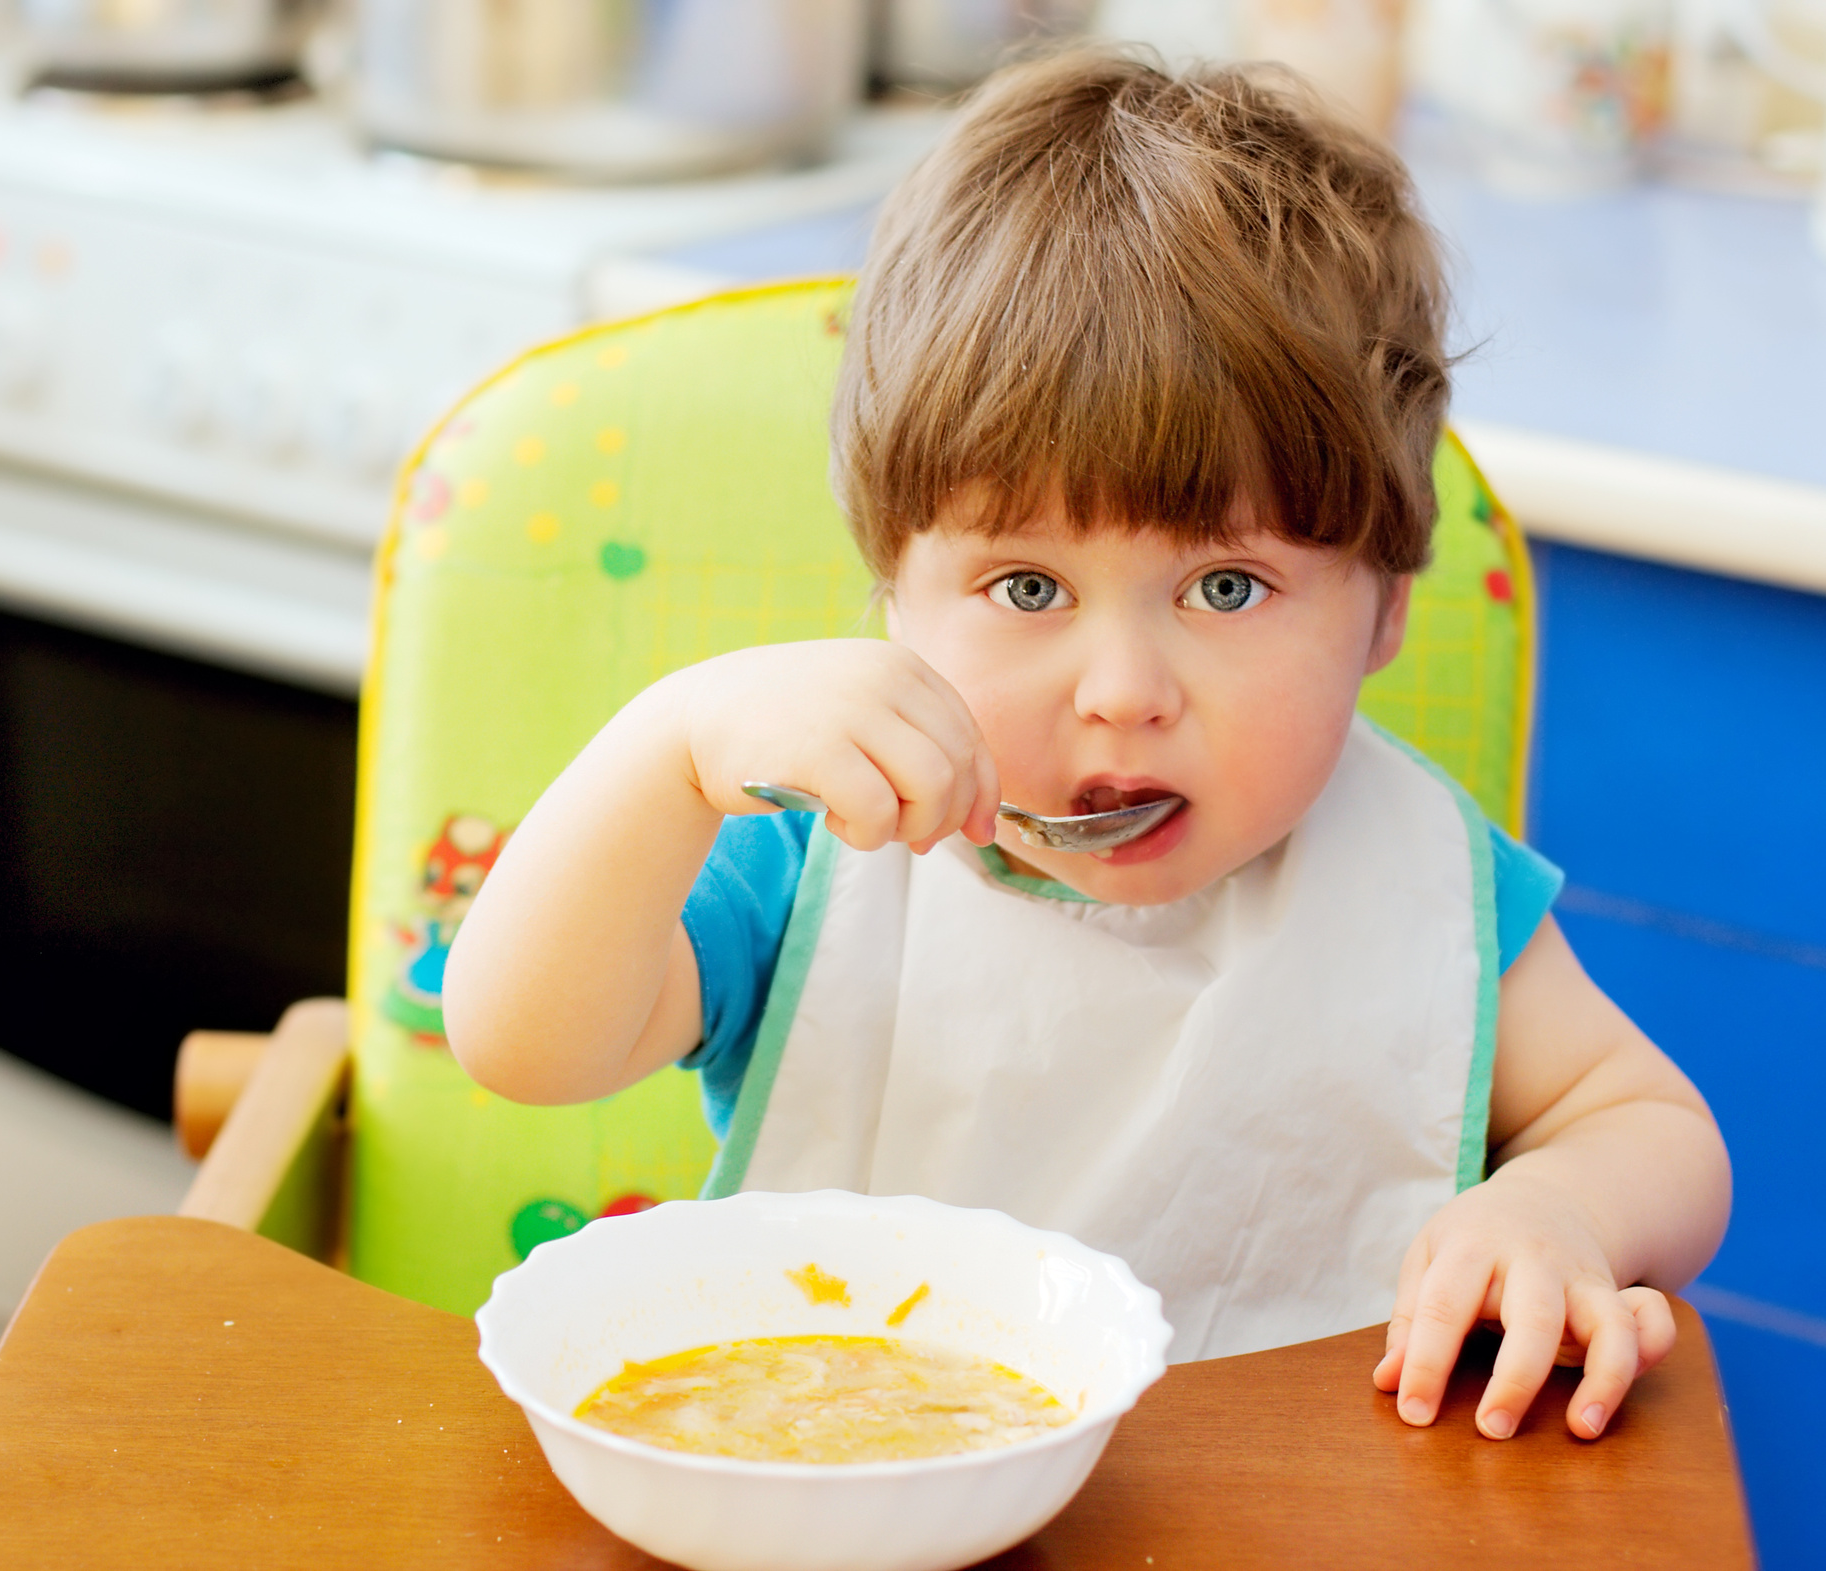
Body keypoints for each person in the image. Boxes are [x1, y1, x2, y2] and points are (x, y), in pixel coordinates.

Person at [441, 49, 1729, 1443]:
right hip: (860, 1505)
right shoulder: (820, 862)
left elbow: (1653, 1125)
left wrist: (1551, 1208)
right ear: (895, 601)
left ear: (1382, 616)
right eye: (1027, 589)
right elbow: (520, 1042)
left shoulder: (1424, 889)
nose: (1122, 692)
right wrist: (664, 757)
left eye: (1226, 589)